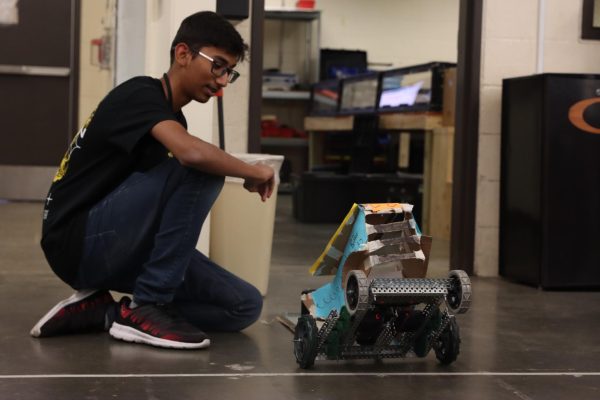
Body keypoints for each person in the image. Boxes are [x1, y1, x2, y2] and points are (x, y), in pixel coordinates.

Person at [30, 11, 274, 350]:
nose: (222, 81)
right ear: (183, 54)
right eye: (218, 65)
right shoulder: (138, 95)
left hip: (118, 240)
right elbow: (193, 155)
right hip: (75, 241)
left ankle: (108, 312)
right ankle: (148, 304)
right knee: (202, 167)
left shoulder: (173, 120)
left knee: (243, 305)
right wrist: (253, 171)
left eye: (229, 72)